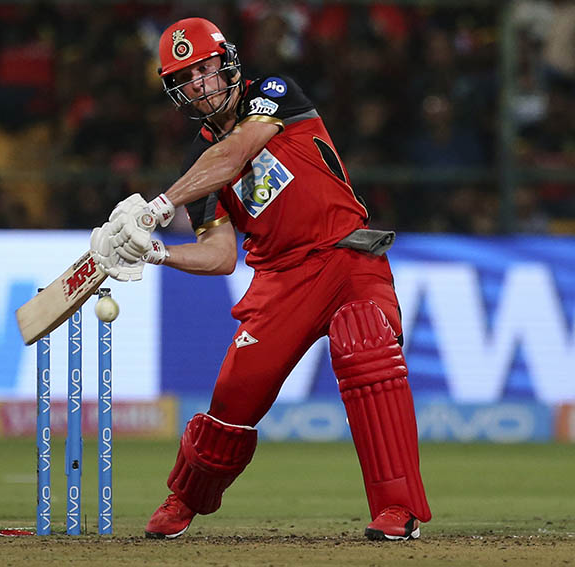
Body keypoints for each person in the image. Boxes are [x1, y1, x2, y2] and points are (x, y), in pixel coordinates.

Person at [89, 17, 431, 541]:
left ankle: (396, 509)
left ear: (227, 63)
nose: (200, 85)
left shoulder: (272, 93)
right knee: (233, 398)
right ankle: (186, 498)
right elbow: (220, 256)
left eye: (205, 69)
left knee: (365, 343)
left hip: (346, 258)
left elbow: (235, 153)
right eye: (186, 79)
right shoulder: (197, 165)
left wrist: (157, 207)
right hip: (280, 282)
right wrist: (157, 252)